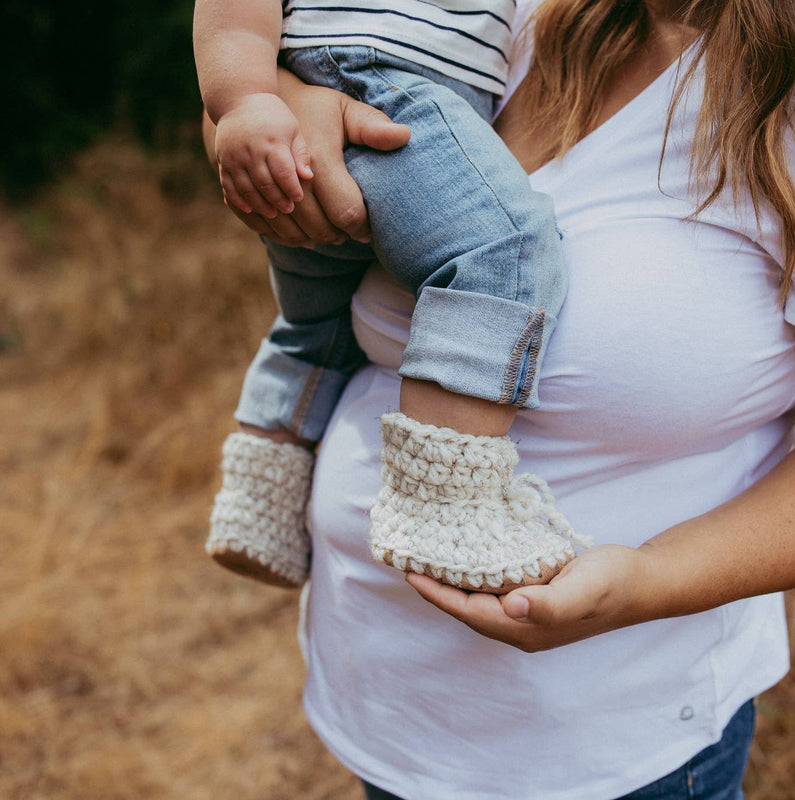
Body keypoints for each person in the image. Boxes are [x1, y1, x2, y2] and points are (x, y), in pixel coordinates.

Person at [205, 0, 795, 796]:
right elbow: (295, 66)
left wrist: (644, 583)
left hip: (610, 739)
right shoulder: (525, 23)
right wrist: (288, 98)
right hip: (382, 695)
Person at [195, 0, 590, 595]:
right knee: (503, 251)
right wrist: (249, 102)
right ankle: (445, 503)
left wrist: (259, 106)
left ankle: (262, 493)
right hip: (376, 78)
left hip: (347, 95)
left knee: (323, 319)